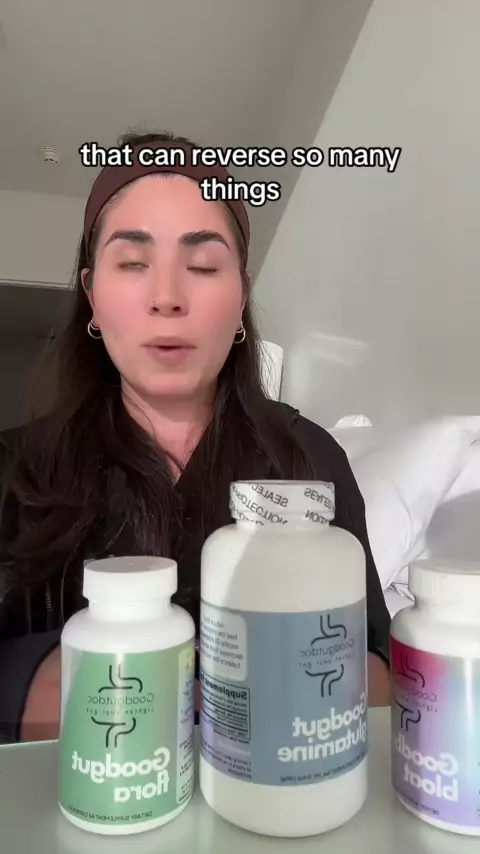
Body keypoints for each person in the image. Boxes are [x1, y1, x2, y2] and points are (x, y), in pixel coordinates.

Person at [0, 130, 391, 745]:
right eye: (133, 263)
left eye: (204, 266)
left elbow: (377, 663)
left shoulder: (309, 456)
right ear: (92, 297)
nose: (167, 297)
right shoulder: (13, 467)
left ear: (240, 300)